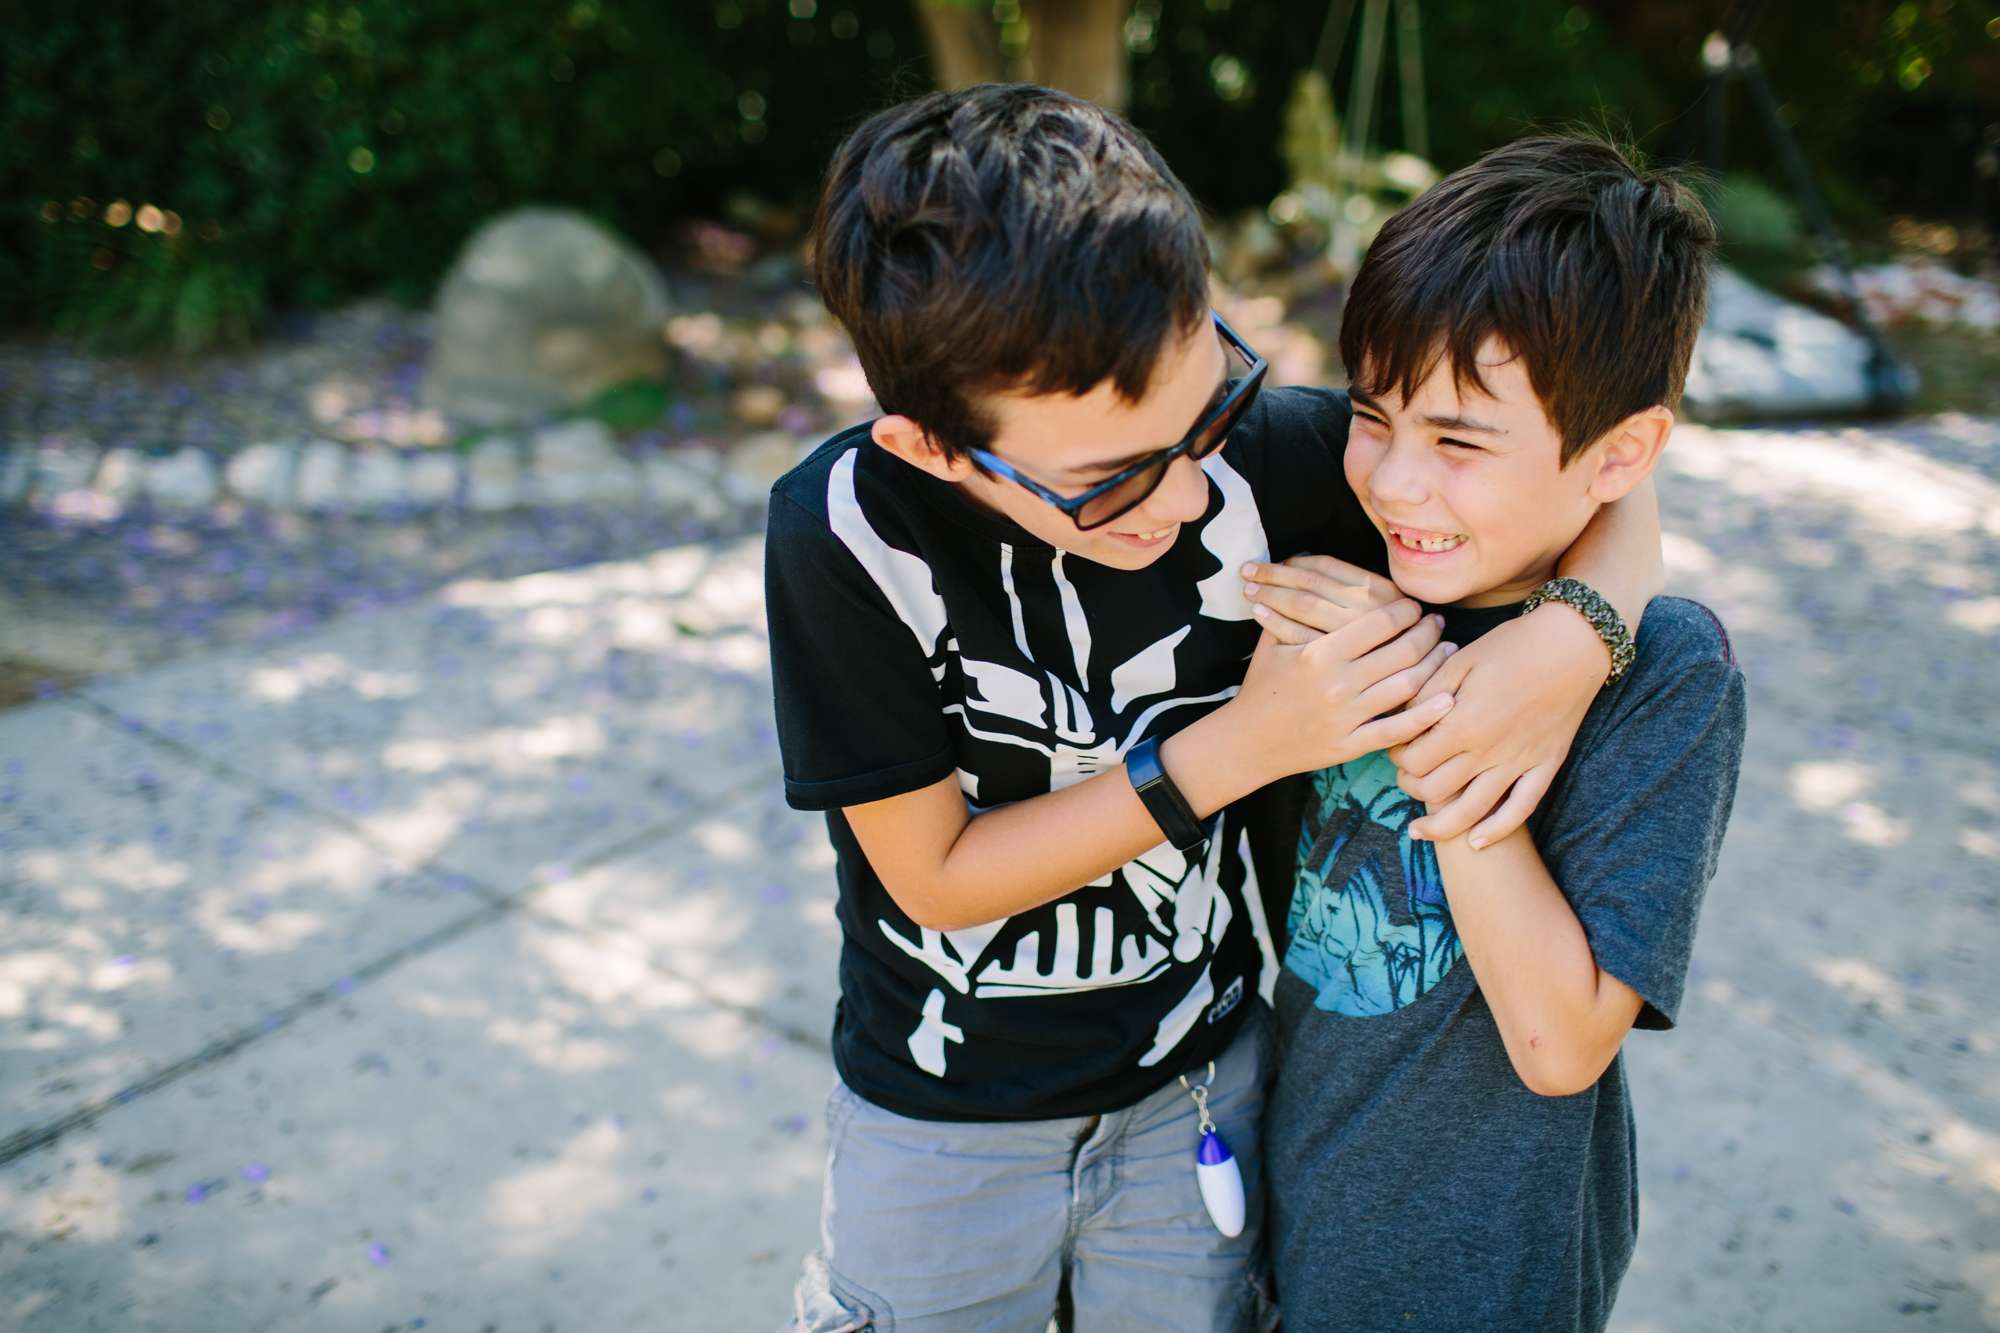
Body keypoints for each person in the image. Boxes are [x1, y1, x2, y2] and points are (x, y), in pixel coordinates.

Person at [765, 86, 1661, 1333]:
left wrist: (1571, 639)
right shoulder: (847, 536)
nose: (1186, 496)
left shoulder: (1251, 463)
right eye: (1110, 480)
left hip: (1199, 1094)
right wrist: (1243, 747)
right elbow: (936, 876)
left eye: (1206, 416)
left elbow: (1606, 486)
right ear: (931, 450)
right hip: (940, 1118)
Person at [1257, 134, 1747, 1333]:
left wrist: (1433, 707)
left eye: (1459, 443)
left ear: (1618, 454)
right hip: (1273, 1223)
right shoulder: (1348, 539)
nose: (1394, 481)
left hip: (1478, 1278)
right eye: (1371, 415)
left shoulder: (1661, 671)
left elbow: (1559, 1042)